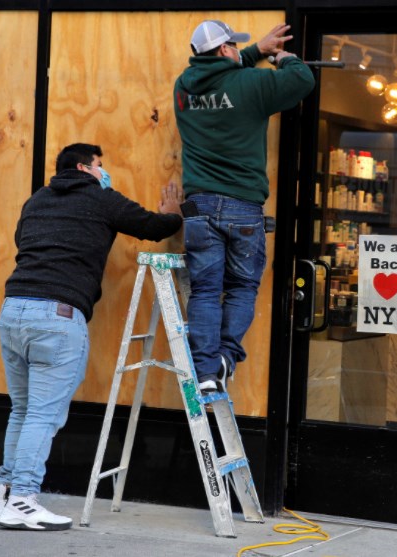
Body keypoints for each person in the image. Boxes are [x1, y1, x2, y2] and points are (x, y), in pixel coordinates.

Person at [0, 143, 183, 530]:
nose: (104, 172)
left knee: (22, 410)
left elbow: (21, 241)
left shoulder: (36, 200)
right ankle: (23, 500)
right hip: (57, 316)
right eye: (100, 165)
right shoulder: (100, 198)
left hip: (13, 310)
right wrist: (174, 215)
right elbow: (152, 226)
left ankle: (6, 494)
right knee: (41, 415)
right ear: (84, 168)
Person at [173, 21, 315, 392]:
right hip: (242, 206)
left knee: (205, 290)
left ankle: (206, 373)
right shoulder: (253, 84)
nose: (239, 51)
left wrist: (255, 51)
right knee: (241, 288)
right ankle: (226, 356)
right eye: (234, 46)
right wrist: (283, 58)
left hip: (200, 207)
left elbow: (224, 78)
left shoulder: (183, 88)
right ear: (224, 50)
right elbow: (302, 80)